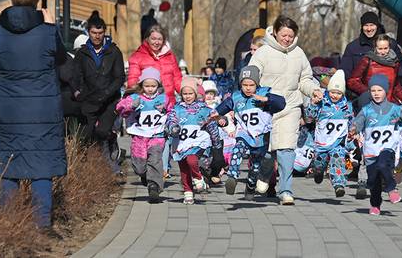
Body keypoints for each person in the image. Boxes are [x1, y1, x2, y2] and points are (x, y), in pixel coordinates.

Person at [0, 0, 67, 229]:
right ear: (36, 3)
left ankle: (7, 221)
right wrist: (51, 26)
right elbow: (62, 60)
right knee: (41, 165)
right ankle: (41, 223)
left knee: (9, 161)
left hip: (9, 107)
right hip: (42, 109)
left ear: (12, 2)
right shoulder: (46, 32)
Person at [249, 16, 323, 205]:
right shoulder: (263, 53)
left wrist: (314, 90)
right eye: (284, 35)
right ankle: (265, 175)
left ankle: (286, 190)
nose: (287, 39)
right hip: (266, 106)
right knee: (267, 150)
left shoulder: (299, 54)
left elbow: (305, 79)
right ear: (275, 33)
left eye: (291, 36)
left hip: (290, 105)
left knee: (287, 148)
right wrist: (252, 94)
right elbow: (251, 76)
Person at [352, 74, 402, 215]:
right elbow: (357, 123)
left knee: (383, 165)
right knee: (373, 182)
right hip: (371, 150)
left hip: (388, 148)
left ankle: (391, 189)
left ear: (386, 91)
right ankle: (375, 205)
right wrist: (353, 130)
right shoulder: (366, 110)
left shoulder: (394, 109)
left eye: (379, 90)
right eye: (373, 91)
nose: (376, 94)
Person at [212, 66, 286, 199]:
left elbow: (281, 104)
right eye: (244, 84)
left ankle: (251, 186)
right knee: (237, 150)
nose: (247, 88)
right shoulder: (236, 97)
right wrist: (216, 113)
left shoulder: (264, 93)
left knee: (256, 165)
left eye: (251, 85)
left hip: (261, 137)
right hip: (244, 133)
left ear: (256, 84)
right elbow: (225, 105)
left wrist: (267, 100)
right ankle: (232, 177)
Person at [72, 12, 126, 171]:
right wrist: (77, 91)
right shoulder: (82, 53)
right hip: (88, 99)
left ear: (104, 33)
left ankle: (110, 139)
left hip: (109, 100)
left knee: (102, 131)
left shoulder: (114, 51)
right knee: (86, 135)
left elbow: (119, 77)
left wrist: (107, 93)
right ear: (88, 32)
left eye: (100, 33)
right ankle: (88, 169)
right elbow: (75, 76)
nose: (97, 36)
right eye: (94, 33)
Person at [116, 67, 170, 203]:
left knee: (155, 159)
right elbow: (120, 109)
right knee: (139, 166)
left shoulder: (163, 98)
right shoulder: (135, 98)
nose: (150, 89)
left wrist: (168, 115)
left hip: (157, 135)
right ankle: (144, 176)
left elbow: (172, 112)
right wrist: (131, 106)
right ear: (141, 85)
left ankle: (154, 187)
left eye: (153, 85)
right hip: (139, 136)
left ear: (158, 85)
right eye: (147, 86)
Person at [166, 77, 221, 205]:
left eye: (190, 93)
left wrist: (216, 141)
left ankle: (198, 177)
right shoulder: (177, 108)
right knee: (184, 168)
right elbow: (171, 120)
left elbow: (213, 122)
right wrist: (173, 127)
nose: (188, 96)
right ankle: (188, 192)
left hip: (197, 141)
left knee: (192, 159)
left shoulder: (203, 108)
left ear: (196, 94)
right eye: (185, 94)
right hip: (181, 142)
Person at [306, 70, 355, 197]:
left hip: (337, 141)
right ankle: (318, 171)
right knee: (319, 162)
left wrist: (352, 133)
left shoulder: (347, 106)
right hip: (322, 141)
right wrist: (313, 104)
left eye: (338, 93)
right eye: (333, 92)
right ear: (328, 91)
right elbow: (310, 116)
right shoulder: (322, 103)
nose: (335, 96)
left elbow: (351, 122)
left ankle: (339, 184)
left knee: (338, 159)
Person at [128, 24, 183, 105]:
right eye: (153, 39)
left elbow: (177, 79)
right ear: (147, 39)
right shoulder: (137, 57)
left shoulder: (170, 56)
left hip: (169, 103)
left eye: (160, 39)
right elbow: (133, 82)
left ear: (164, 41)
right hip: (147, 104)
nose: (157, 42)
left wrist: (187, 91)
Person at [340, 11, 402, 79]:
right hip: (361, 87)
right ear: (362, 27)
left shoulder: (391, 43)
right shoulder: (352, 47)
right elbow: (345, 72)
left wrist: (399, 82)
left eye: (372, 25)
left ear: (377, 26)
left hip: (388, 85)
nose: (369, 29)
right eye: (366, 25)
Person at [348, 33, 402, 103]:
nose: (383, 52)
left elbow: (396, 86)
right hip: (371, 102)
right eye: (380, 49)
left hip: (388, 103)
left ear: (389, 47)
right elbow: (352, 81)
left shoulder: (394, 62)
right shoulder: (368, 60)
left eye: (385, 48)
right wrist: (369, 92)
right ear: (375, 48)